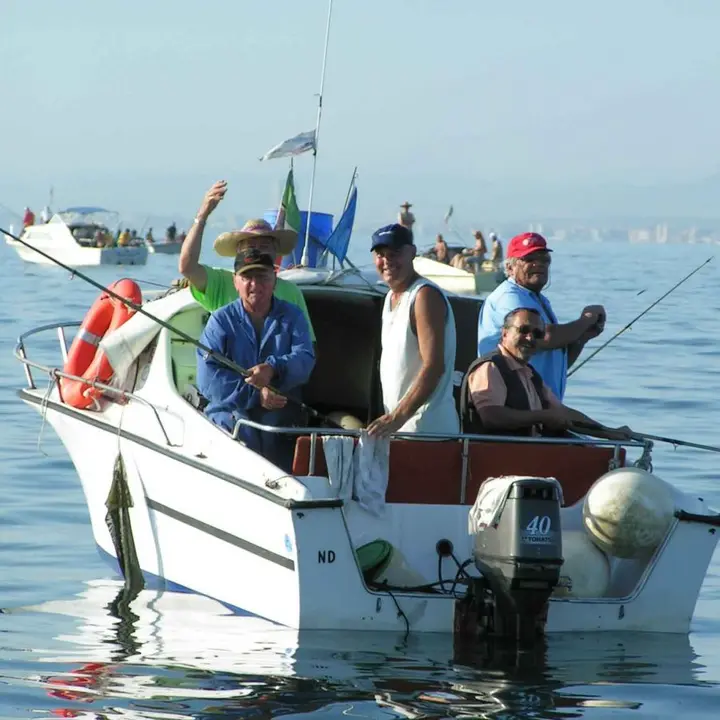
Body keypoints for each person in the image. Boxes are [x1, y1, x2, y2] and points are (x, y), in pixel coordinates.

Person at [197, 248, 316, 471]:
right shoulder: (220, 321)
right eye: (247, 277)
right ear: (235, 282)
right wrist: (256, 395)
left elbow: (305, 359)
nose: (255, 284)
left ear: (274, 279)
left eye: (262, 276)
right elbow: (208, 379)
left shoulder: (293, 316)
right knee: (239, 430)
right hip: (230, 410)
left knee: (279, 434)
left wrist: (274, 368)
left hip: (282, 410)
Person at [462, 307, 633, 439]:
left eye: (537, 334)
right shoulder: (490, 367)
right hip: (493, 459)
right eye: (523, 330)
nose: (530, 338)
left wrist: (609, 432)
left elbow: (562, 413)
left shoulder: (530, 374)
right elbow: (491, 416)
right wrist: (543, 416)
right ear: (505, 333)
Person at [178, 180, 316, 342]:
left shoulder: (291, 292)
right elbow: (187, 267)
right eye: (251, 245)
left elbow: (306, 346)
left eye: (264, 245)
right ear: (238, 252)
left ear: (275, 251)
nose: (257, 250)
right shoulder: (221, 283)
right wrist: (202, 215)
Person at [477, 232, 605, 401]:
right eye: (529, 259)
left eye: (545, 260)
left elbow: (557, 364)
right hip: (512, 407)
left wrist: (582, 338)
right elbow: (546, 337)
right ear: (509, 268)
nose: (539, 264)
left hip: (541, 407)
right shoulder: (508, 296)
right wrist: (586, 320)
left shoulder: (538, 300)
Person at [368, 223, 459, 437]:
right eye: (381, 254)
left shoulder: (424, 295)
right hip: (401, 432)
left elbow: (434, 366)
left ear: (412, 253)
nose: (387, 260)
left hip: (428, 433)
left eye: (395, 253)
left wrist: (396, 417)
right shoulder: (390, 296)